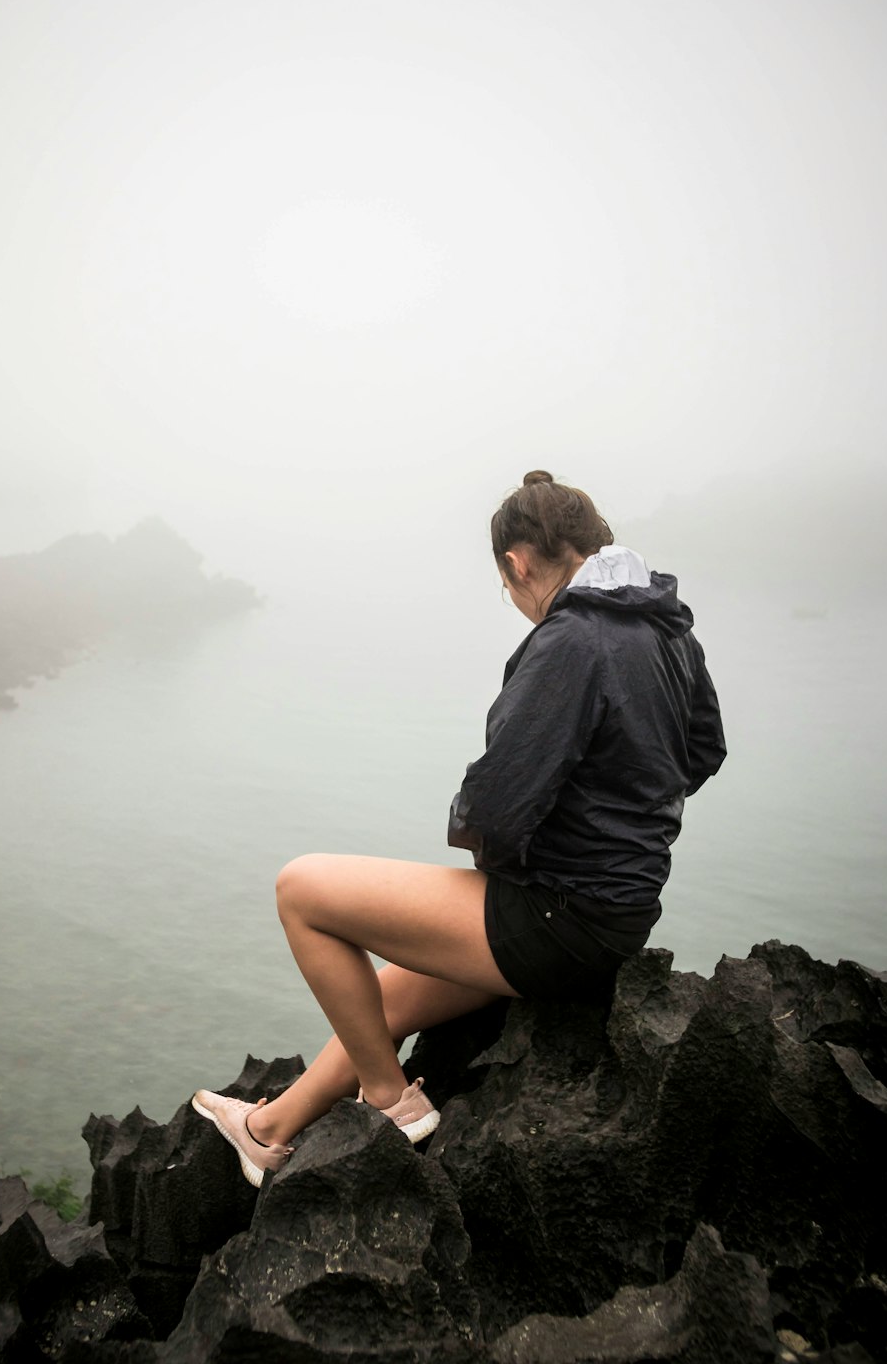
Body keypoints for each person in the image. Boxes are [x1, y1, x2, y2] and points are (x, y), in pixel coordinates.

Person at [193, 470, 726, 1186]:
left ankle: (390, 1102)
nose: (512, 601)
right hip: (618, 918)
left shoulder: (572, 638)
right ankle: (266, 1130)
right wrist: (620, 814)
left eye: (505, 586)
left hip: (553, 920)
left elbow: (497, 809)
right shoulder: (667, 630)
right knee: (389, 993)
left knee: (302, 891)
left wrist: (523, 851)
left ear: (518, 564)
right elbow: (703, 751)